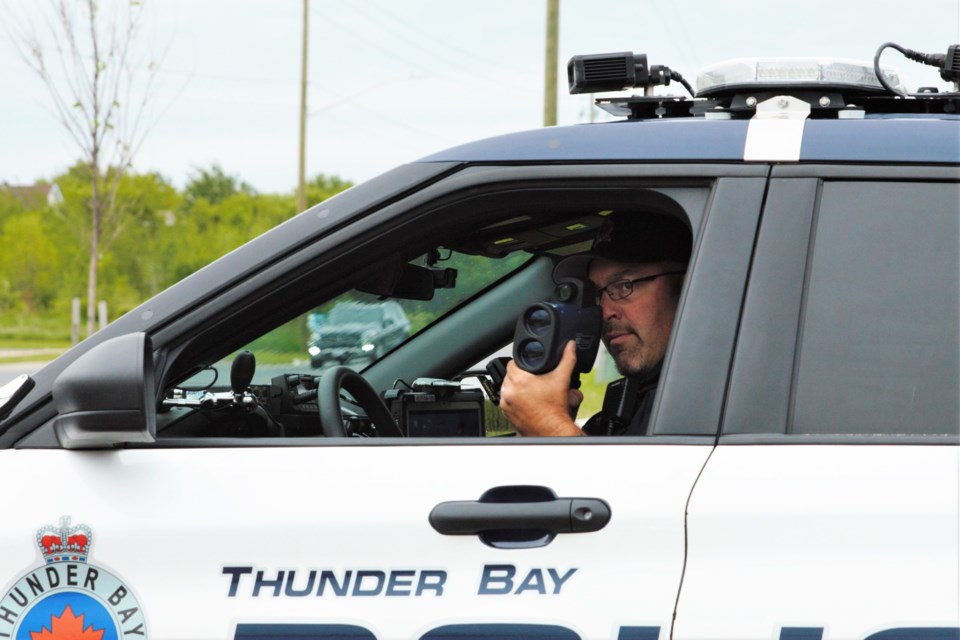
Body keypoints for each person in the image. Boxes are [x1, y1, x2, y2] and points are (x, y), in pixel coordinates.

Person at [499, 212, 691, 436]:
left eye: (624, 286)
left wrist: (550, 426)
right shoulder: (632, 403)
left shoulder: (714, 398)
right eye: (598, 295)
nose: (605, 312)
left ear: (687, 286)